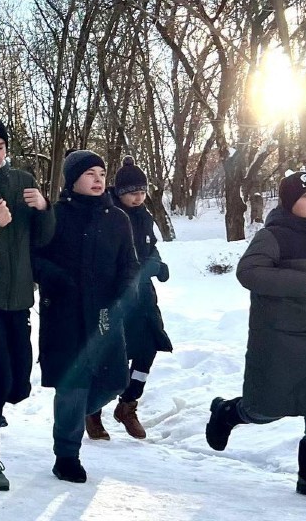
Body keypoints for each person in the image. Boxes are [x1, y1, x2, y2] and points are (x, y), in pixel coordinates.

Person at [206, 171, 306, 501]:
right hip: (283, 341)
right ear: (290, 202)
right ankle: (229, 412)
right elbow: (248, 272)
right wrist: (296, 283)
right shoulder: (272, 236)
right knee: (268, 408)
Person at [32, 150, 137, 484]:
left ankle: (79, 414)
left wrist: (125, 291)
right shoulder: (57, 215)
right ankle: (66, 456)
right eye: (90, 173)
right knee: (72, 385)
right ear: (73, 178)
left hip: (105, 313)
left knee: (116, 377)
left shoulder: (117, 219)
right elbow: (34, 258)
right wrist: (56, 279)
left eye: (102, 174)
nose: (98, 179)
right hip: (64, 313)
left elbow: (129, 263)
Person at [0, 114, 55, 491]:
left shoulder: (23, 182)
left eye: (0, 147)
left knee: (18, 385)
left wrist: (44, 208)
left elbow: (45, 239)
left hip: (19, 299)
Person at [102, 156, 172, 440]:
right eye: (133, 192)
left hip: (143, 298)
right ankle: (92, 411)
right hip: (116, 297)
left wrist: (158, 264)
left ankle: (128, 405)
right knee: (110, 355)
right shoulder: (107, 215)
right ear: (119, 193)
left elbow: (151, 247)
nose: (138, 197)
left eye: (142, 191)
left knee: (148, 350)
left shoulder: (145, 215)